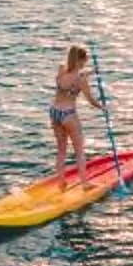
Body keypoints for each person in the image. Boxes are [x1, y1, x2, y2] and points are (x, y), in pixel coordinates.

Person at [48, 44, 105, 172]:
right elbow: (91, 100)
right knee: (79, 149)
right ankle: (85, 184)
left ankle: (61, 182)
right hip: (68, 114)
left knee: (61, 150)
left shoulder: (61, 69)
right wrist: (103, 108)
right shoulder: (81, 80)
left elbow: (74, 74)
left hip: (54, 112)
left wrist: (90, 72)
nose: (86, 63)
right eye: (85, 61)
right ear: (80, 60)